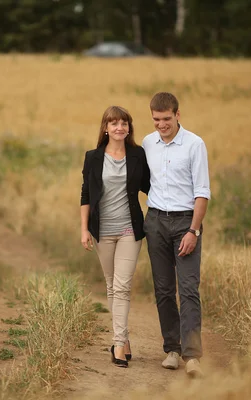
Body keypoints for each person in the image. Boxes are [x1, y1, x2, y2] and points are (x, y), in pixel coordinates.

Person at [142, 92, 211, 378]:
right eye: (156, 120)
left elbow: (202, 192)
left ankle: (192, 355)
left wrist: (193, 230)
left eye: (166, 119)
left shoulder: (195, 145)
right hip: (156, 220)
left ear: (178, 115)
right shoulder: (148, 143)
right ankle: (172, 348)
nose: (161, 125)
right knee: (163, 289)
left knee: (189, 288)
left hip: (185, 222)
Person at [80, 105, 150, 368]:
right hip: (102, 231)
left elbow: (150, 187)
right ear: (105, 128)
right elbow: (86, 194)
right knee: (111, 286)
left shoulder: (138, 155)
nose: (119, 127)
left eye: (124, 123)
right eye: (114, 123)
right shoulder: (93, 157)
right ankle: (125, 337)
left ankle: (118, 344)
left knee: (122, 287)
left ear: (129, 127)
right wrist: (84, 229)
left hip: (129, 230)